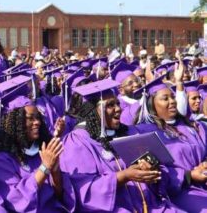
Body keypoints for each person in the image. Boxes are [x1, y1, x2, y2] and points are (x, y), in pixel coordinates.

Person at [60, 79, 183, 212]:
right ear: (93, 111)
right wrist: (123, 176)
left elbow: (163, 172)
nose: (118, 109)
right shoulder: (78, 141)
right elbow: (82, 189)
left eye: (118, 103)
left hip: (152, 205)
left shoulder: (131, 132)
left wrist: (152, 169)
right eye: (110, 105)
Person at [0, 85, 75, 212]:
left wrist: (55, 171)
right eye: (30, 118)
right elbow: (16, 201)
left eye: (38, 117)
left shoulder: (41, 149)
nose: (37, 122)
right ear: (15, 123)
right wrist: (44, 168)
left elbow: (60, 196)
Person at [131, 76, 207, 212]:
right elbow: (155, 170)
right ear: (152, 104)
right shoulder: (145, 132)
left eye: (173, 97)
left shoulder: (191, 126)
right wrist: (189, 175)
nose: (172, 101)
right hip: (179, 191)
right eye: (165, 99)